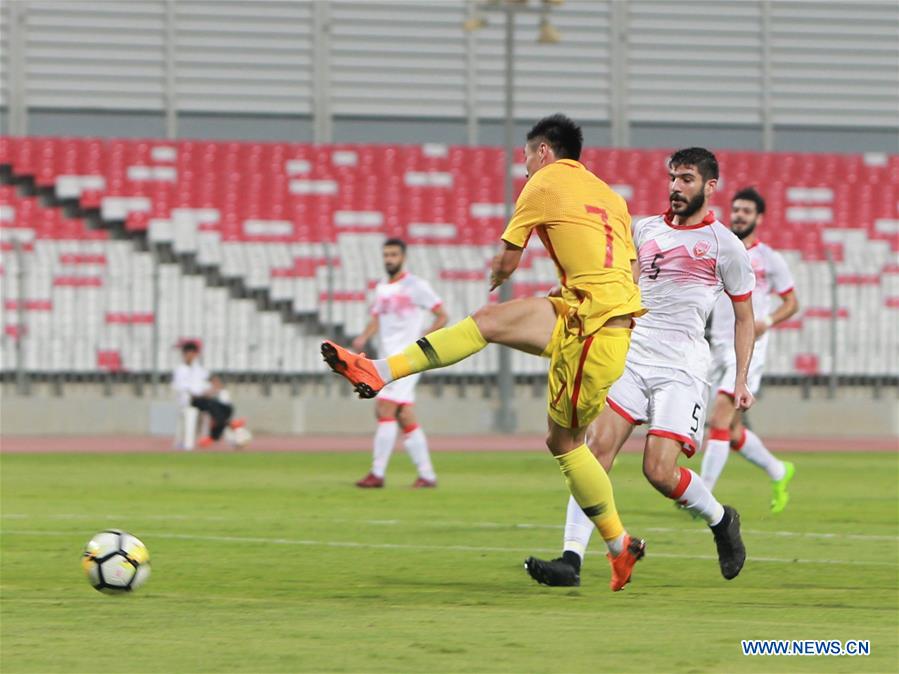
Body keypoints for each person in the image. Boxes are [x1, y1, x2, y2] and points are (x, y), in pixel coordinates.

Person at [324, 113, 648, 591]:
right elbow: (634, 269)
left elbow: (508, 257)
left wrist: (498, 273)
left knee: (566, 444)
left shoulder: (543, 183)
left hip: (593, 329)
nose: (523, 168)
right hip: (589, 313)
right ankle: (376, 370)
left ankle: (620, 546)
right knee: (489, 323)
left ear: (543, 152)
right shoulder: (611, 197)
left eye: (524, 157)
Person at [524, 147, 755, 587]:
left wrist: (741, 379)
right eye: (672, 178)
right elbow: (615, 278)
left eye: (686, 179)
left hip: (681, 368)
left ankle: (722, 519)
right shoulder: (643, 229)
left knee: (659, 472)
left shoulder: (726, 245)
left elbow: (745, 318)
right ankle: (571, 559)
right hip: (631, 356)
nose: (675, 187)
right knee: (591, 453)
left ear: (710, 186)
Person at [701, 187, 799, 512]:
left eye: (746, 211)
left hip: (747, 350)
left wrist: (767, 320)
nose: (739, 215)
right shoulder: (722, 251)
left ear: (758, 217)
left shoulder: (769, 258)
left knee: (718, 419)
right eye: (736, 209)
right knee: (729, 430)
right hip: (716, 346)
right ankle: (778, 470)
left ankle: (701, 497)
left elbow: (792, 302)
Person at [350, 238, 448, 488]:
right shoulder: (382, 287)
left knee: (384, 408)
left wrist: (421, 341)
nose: (389, 259)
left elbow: (442, 315)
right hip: (386, 357)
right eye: (386, 255)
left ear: (403, 257)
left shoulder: (416, 285)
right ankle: (427, 475)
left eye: (393, 254)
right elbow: (377, 319)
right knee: (404, 415)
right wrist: (363, 338)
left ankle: (377, 473)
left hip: (406, 359)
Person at [172, 341, 243, 448]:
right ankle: (229, 424)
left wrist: (214, 387)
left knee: (226, 407)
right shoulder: (180, 370)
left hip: (204, 399)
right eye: (188, 353)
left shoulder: (198, 369)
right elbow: (182, 388)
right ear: (184, 354)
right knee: (213, 406)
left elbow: (211, 378)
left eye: (193, 353)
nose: (191, 355)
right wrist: (201, 394)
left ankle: (214, 435)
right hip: (191, 400)